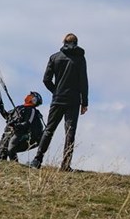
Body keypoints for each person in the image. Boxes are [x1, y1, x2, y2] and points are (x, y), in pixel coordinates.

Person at [31, 33, 89, 171]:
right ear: (76, 42)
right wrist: (84, 102)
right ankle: (65, 165)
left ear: (64, 42)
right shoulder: (80, 59)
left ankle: (37, 160)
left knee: (49, 129)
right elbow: (83, 82)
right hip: (73, 101)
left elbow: (46, 79)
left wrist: (56, 91)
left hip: (58, 99)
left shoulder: (54, 57)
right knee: (70, 132)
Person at [0, 91, 44, 161]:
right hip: (9, 134)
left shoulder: (31, 110)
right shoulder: (19, 108)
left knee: (11, 149)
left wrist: (16, 125)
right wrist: (1, 107)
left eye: (31, 96)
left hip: (21, 135)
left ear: (34, 100)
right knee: (2, 150)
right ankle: (2, 166)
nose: (28, 96)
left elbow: (27, 123)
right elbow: (7, 117)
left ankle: (14, 166)